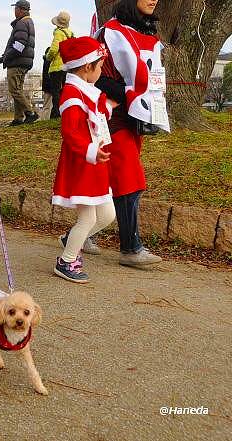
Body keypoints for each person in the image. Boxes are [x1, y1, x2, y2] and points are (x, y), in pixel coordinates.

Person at [94, 0, 167, 267]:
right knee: (129, 178)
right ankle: (130, 248)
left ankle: (75, 237)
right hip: (112, 116)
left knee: (112, 180)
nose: (154, 0)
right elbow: (94, 75)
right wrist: (127, 96)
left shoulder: (148, 32)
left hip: (137, 116)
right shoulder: (109, 32)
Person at [51, 37, 116, 283]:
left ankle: (72, 238)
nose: (101, 72)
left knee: (107, 215)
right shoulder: (72, 93)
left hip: (96, 161)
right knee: (88, 217)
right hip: (82, 163)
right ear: (87, 67)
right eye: (99, 67)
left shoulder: (87, 90)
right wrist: (89, 150)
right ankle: (66, 261)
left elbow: (98, 114)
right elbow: (70, 132)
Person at [0, 0, 38, 126]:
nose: (14, 11)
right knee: (17, 90)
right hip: (24, 61)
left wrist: (6, 57)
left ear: (20, 10)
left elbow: (19, 45)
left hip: (17, 62)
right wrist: (3, 57)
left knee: (14, 90)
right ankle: (18, 118)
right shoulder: (29, 22)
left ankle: (30, 113)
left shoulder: (22, 23)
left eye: (15, 9)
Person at [47, 11, 74, 119]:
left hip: (57, 66)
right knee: (64, 91)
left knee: (56, 91)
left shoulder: (59, 33)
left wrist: (48, 57)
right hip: (67, 66)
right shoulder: (70, 34)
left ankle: (56, 113)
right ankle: (65, 111)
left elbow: (54, 49)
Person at [40, 48, 53, 120]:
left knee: (46, 104)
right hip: (49, 86)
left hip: (46, 86)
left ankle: (44, 118)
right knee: (48, 104)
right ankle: (45, 118)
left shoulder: (45, 61)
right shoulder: (49, 61)